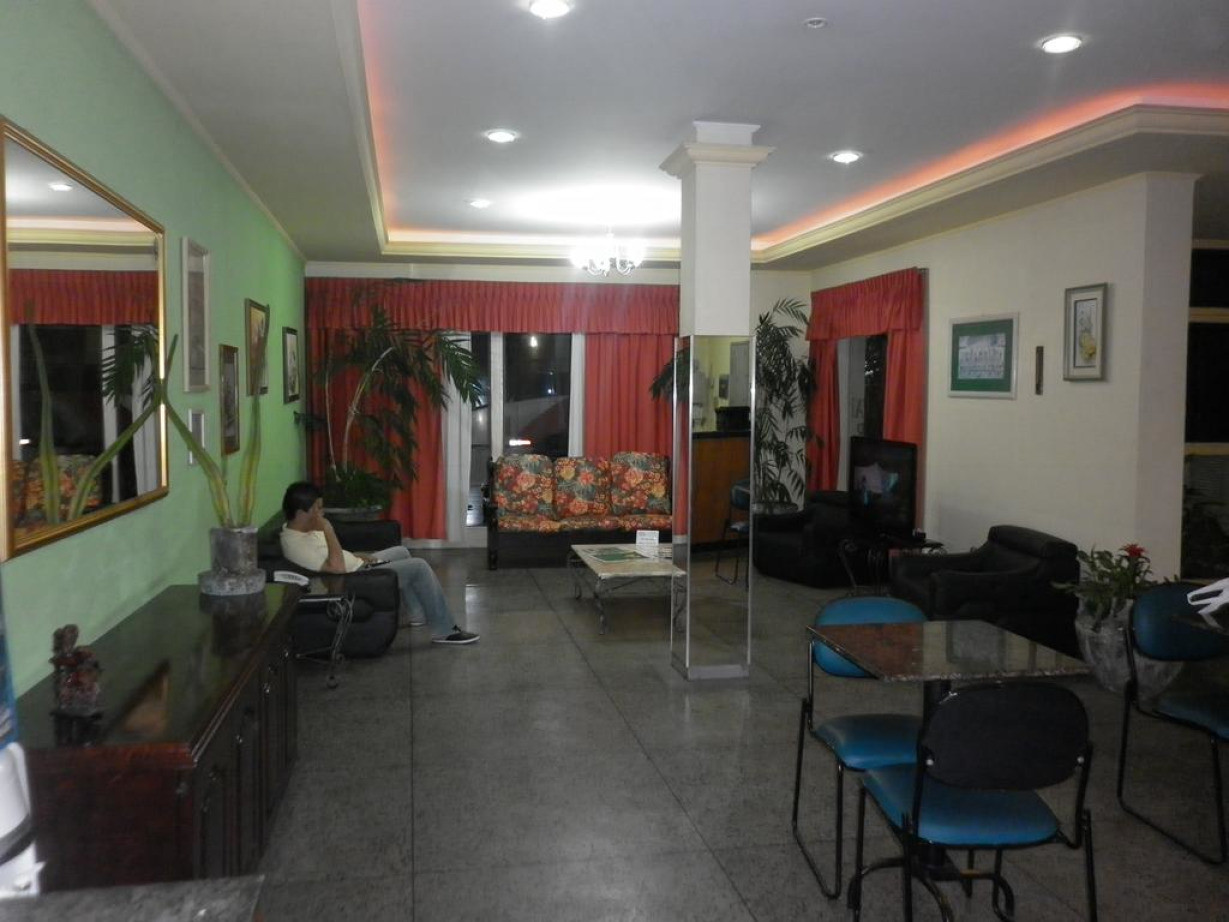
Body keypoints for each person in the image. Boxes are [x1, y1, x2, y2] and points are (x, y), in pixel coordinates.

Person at [279, 481, 478, 646]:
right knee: (419, 567)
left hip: (357, 566)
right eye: (318, 508)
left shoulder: (302, 529)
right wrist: (328, 529)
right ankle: (445, 631)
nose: (322, 513)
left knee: (401, 551)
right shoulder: (295, 544)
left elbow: (328, 555)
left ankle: (417, 615)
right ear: (302, 512)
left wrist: (357, 556)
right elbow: (337, 569)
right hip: (355, 579)